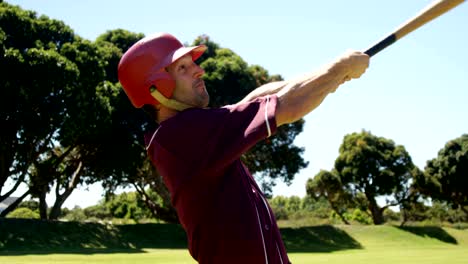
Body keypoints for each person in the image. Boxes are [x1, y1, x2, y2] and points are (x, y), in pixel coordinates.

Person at [118, 32, 369, 264]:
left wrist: (326, 76)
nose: (199, 70)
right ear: (156, 87)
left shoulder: (182, 135)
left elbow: (253, 100)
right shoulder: (185, 134)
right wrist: (339, 69)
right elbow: (286, 105)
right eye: (183, 68)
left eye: (192, 63)